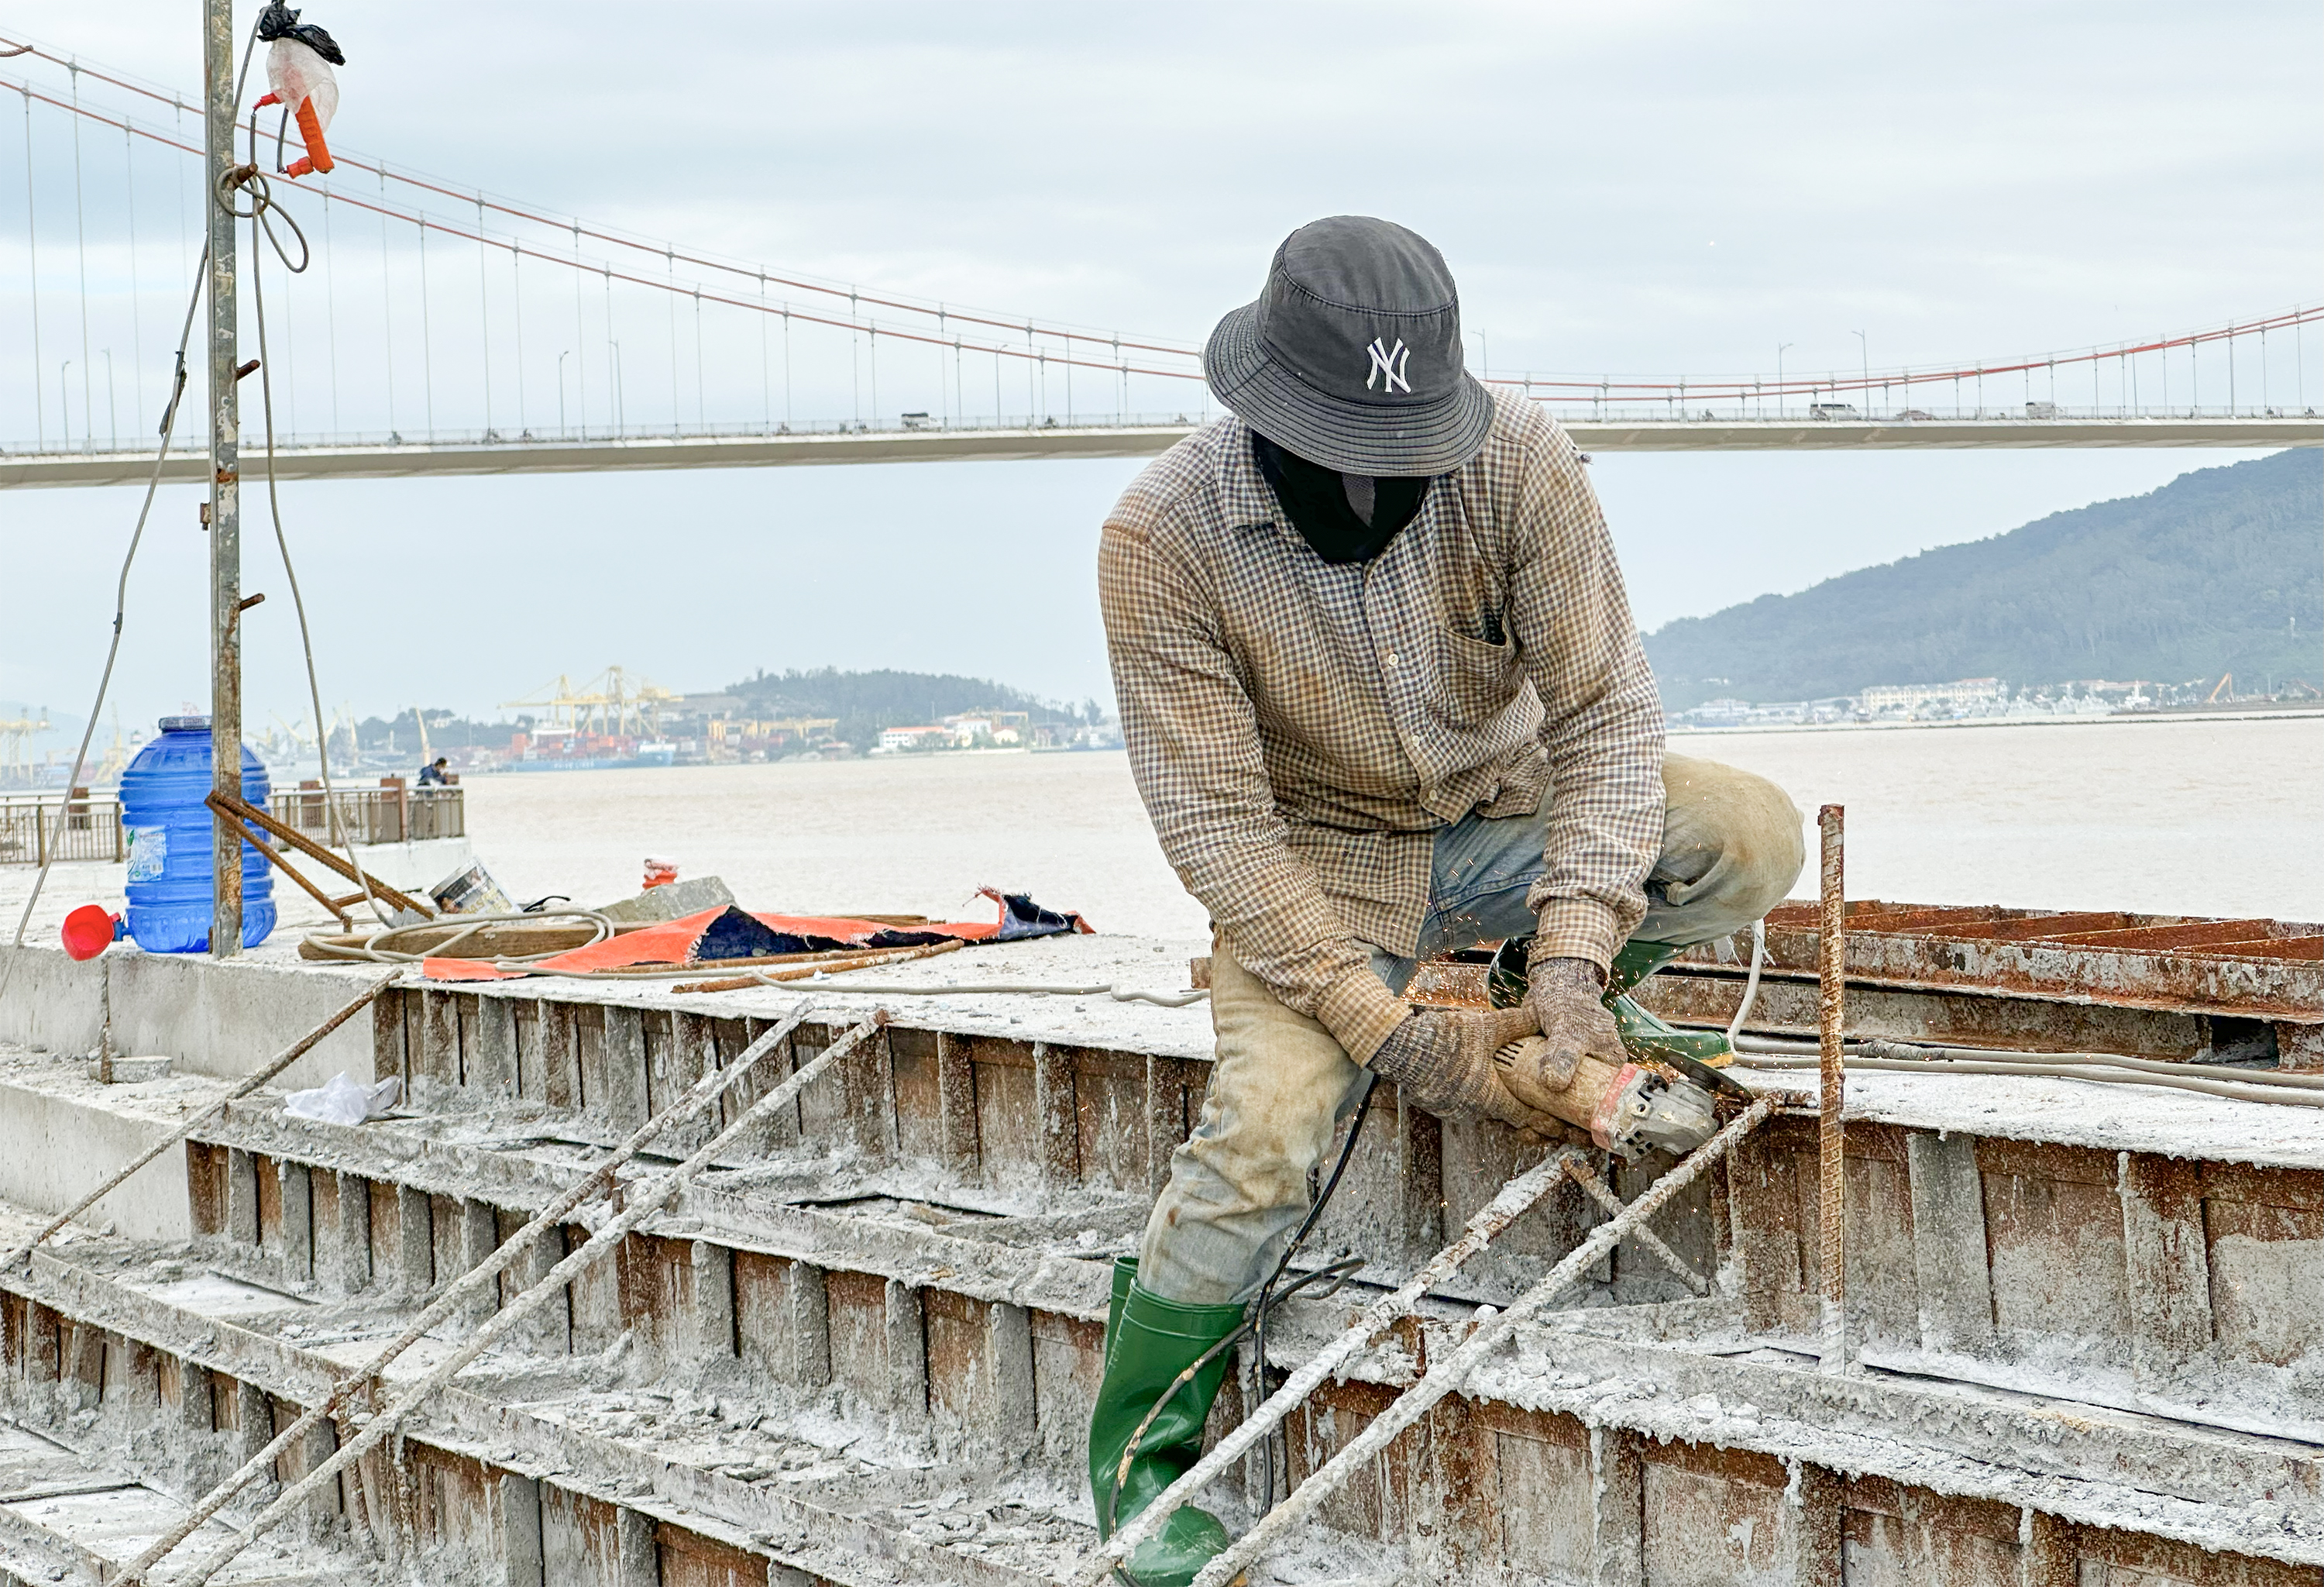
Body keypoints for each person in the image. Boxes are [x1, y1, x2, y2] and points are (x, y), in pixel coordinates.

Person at [1090, 215, 1806, 1585]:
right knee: (1263, 1137)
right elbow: (1221, 830)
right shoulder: (1159, 538)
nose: (1375, 477)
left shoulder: (1522, 460)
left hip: (1504, 814)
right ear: (1265, 408)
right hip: (1317, 871)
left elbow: (1605, 720)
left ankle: (1532, 995)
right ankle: (1140, 1468)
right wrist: (1399, 1039)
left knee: (1747, 837)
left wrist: (1577, 957)